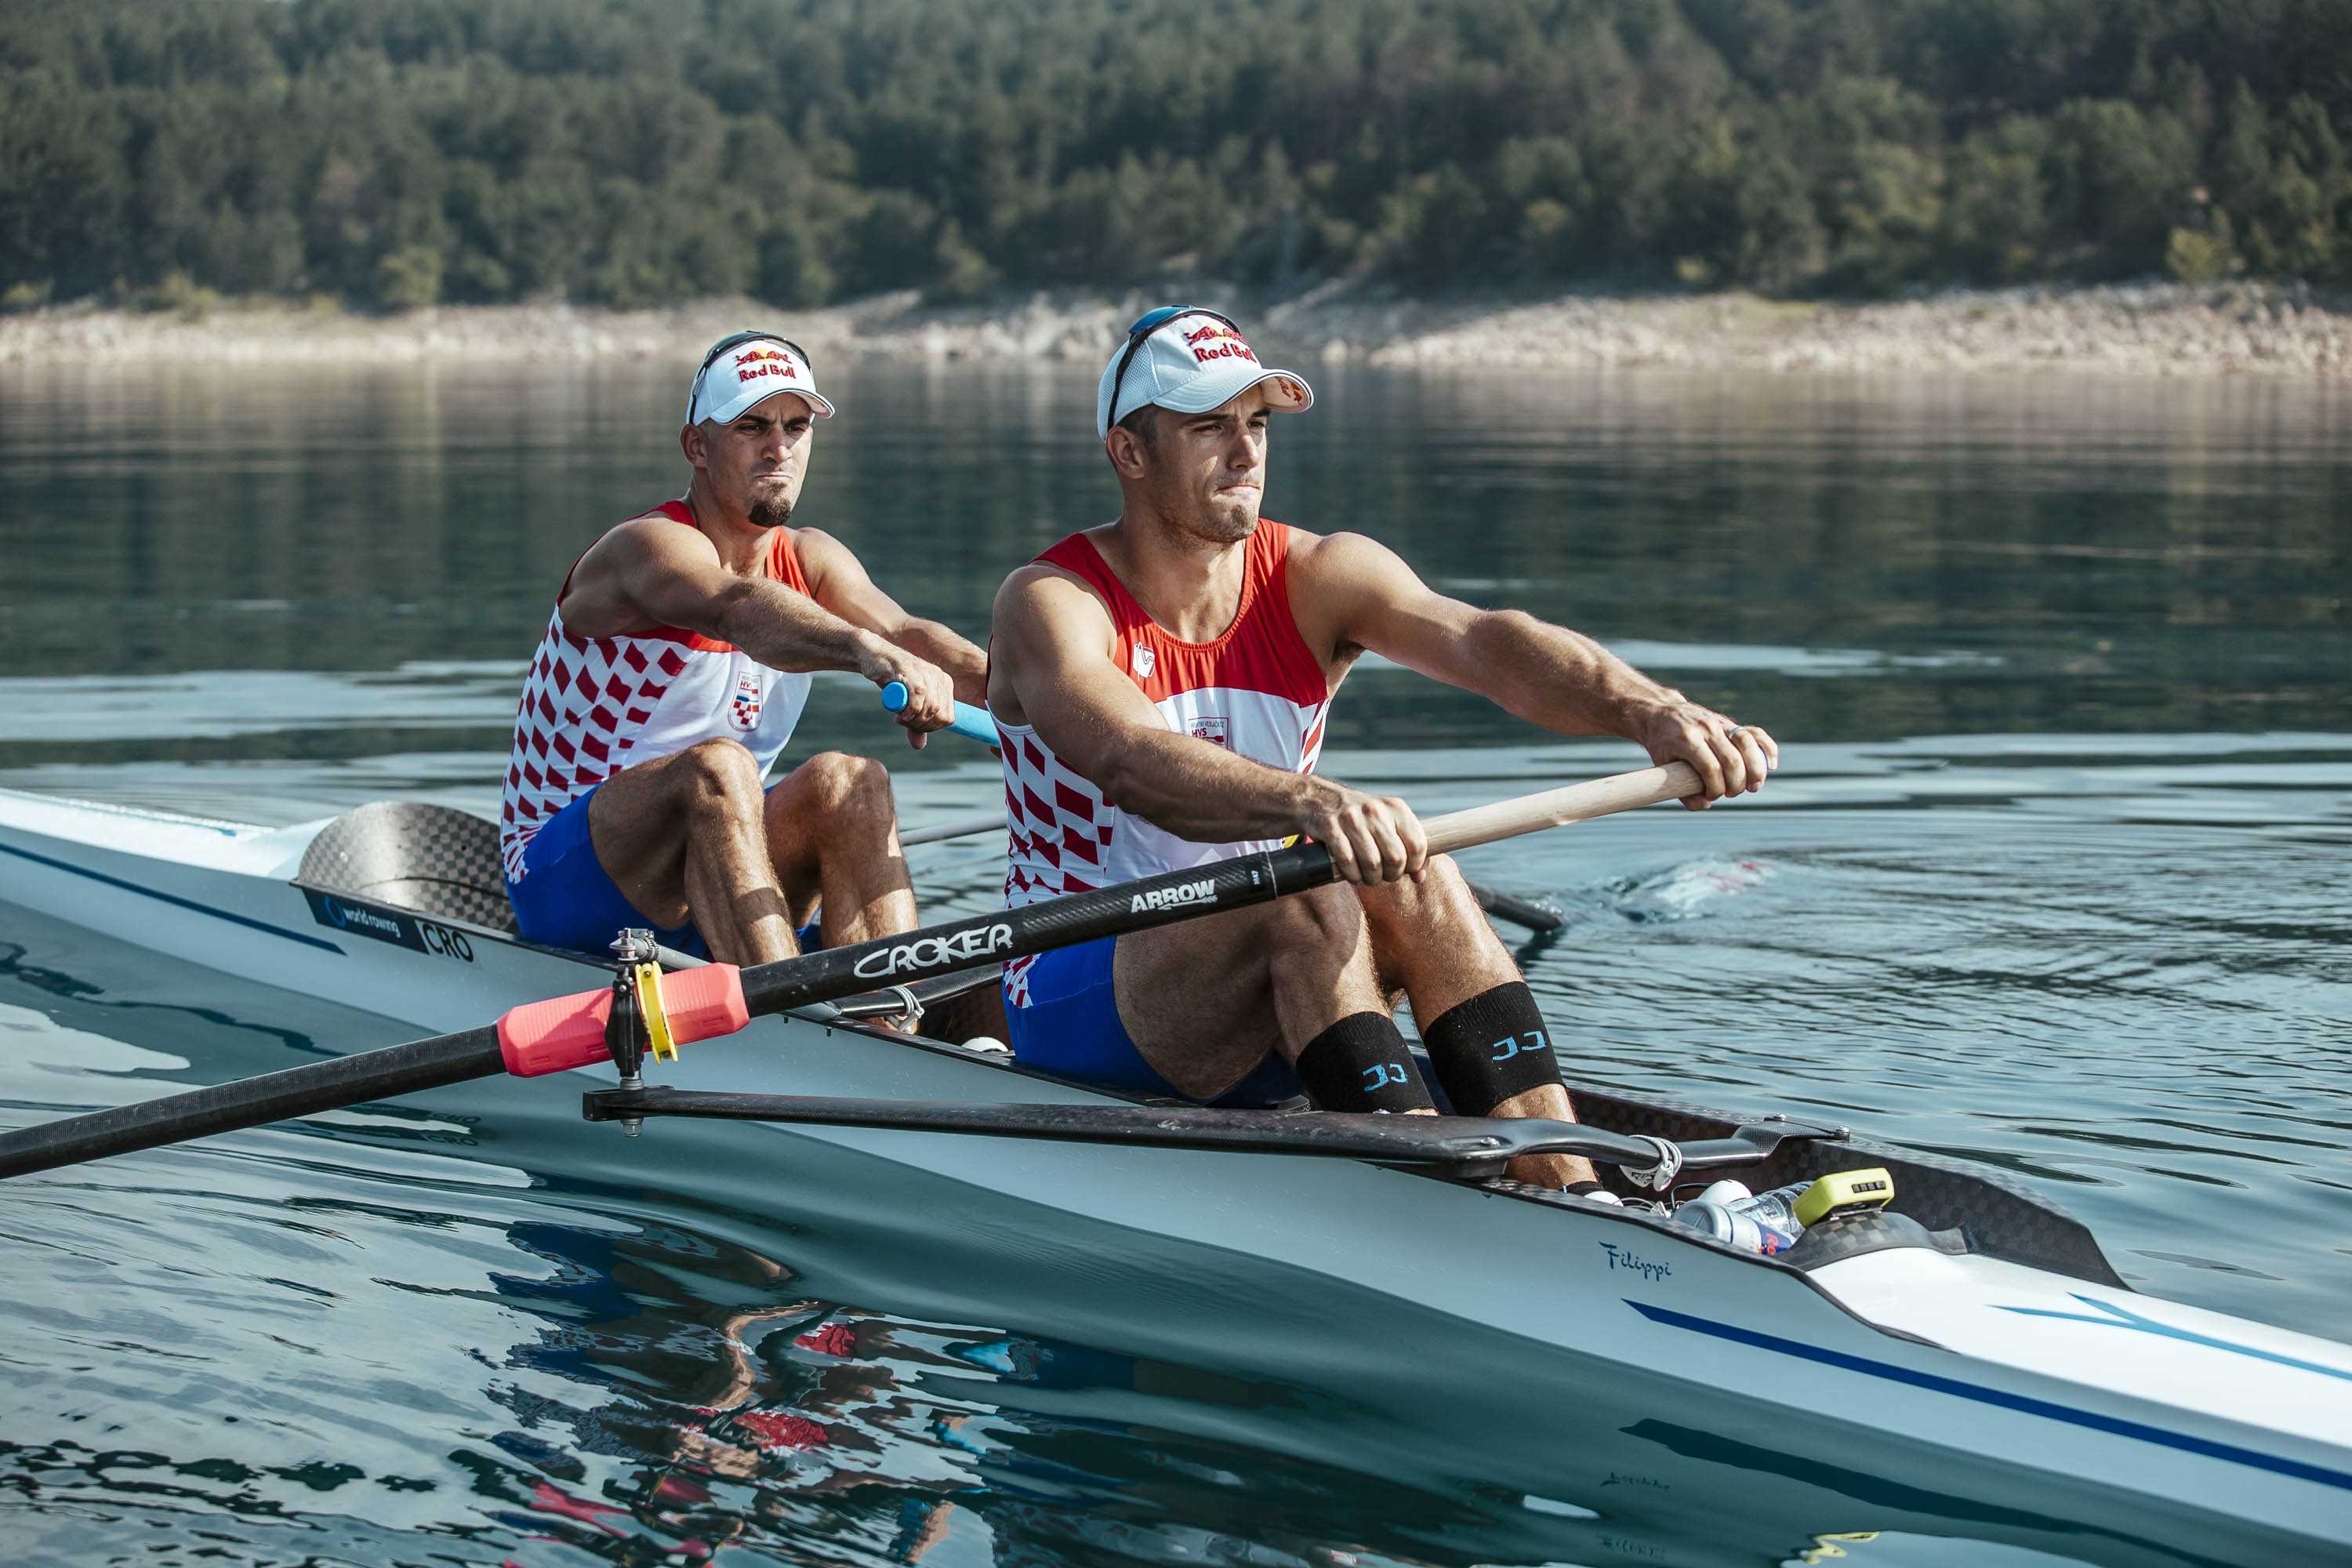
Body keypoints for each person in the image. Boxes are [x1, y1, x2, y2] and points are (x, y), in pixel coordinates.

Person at [985, 307, 1779, 1192]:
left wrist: (1652, 711)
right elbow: (1130, 759)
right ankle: (1425, 1188)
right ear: (1129, 454)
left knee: (1418, 866)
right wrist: (1310, 803)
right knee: (1308, 894)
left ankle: (1570, 1182)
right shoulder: (1053, 600)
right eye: (1209, 426)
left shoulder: (1320, 575)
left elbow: (1487, 643)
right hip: (1079, 991)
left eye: (1256, 423)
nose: (1245, 453)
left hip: (1270, 961)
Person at [499, 332, 986, 965]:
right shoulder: (647, 547)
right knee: (720, 768)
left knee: (853, 780)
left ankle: (886, 1016)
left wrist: (1039, 699)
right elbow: (734, 606)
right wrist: (863, 651)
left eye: (796, 426)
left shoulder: (812, 557)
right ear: (696, 447)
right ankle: (787, 1021)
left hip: (713, 871)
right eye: (752, 427)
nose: (778, 447)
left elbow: (905, 634)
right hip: (563, 881)